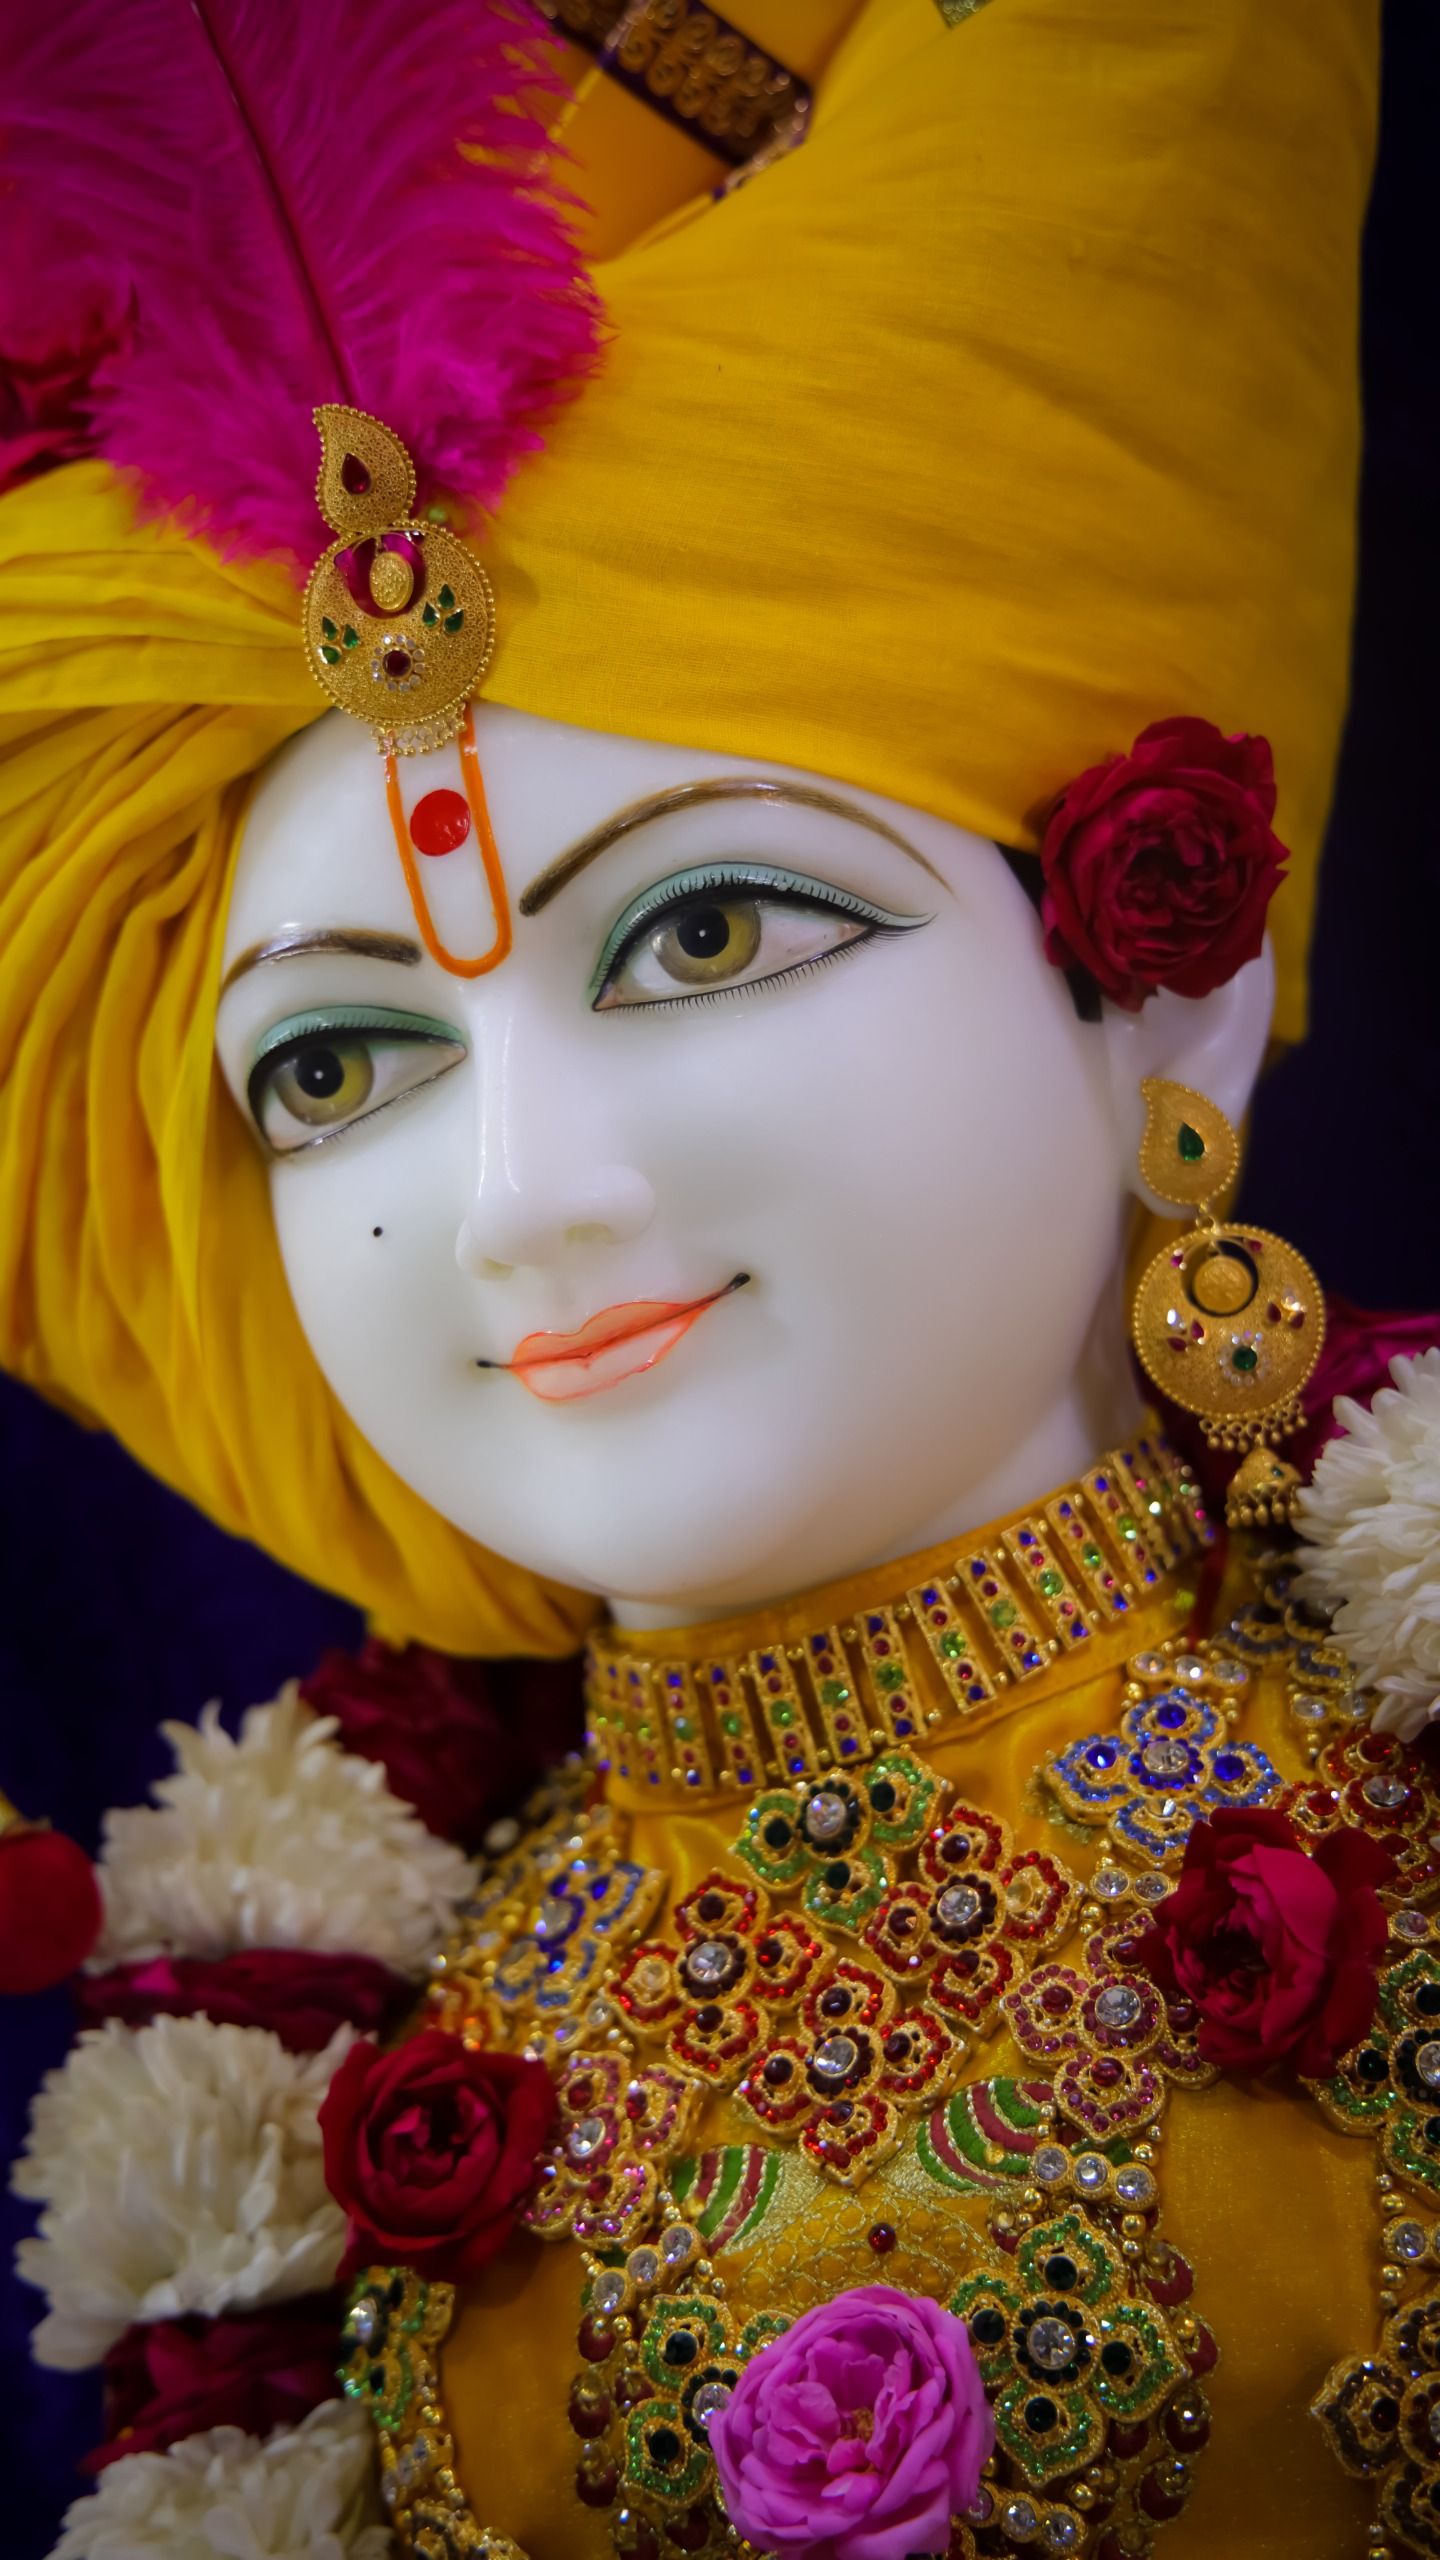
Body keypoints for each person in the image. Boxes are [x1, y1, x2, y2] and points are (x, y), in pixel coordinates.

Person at [9, 3, 1435, 2556]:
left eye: (703, 933)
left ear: (1166, 986)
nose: (521, 1199)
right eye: (337, 1066)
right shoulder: (318, 2089)